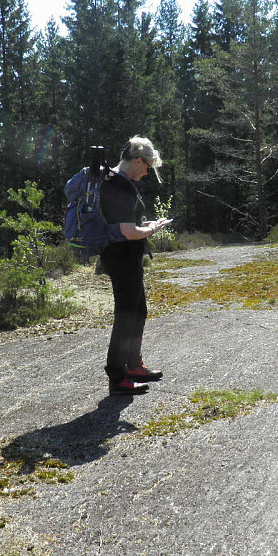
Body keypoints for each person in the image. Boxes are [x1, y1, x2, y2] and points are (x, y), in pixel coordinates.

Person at [99, 136, 172, 395]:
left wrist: (147, 227)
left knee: (138, 312)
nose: (147, 172)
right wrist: (151, 229)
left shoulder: (117, 181)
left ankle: (132, 365)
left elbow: (126, 228)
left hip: (125, 256)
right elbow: (129, 232)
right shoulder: (118, 185)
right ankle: (118, 377)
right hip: (121, 257)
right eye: (148, 167)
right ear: (138, 160)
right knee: (126, 317)